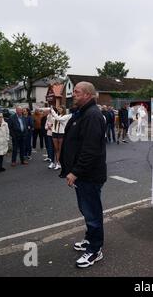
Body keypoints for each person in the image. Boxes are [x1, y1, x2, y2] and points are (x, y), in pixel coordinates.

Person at [60, 82, 107, 268]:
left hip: (88, 175)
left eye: (77, 92)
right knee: (86, 210)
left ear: (88, 94)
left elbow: (91, 149)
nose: (73, 95)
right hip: (83, 176)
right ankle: (90, 239)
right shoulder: (82, 112)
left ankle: (95, 250)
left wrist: (75, 172)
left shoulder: (93, 115)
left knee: (92, 213)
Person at [50, 105, 72, 170]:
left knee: (60, 149)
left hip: (61, 134)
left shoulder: (66, 116)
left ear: (64, 109)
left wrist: (52, 110)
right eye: (58, 109)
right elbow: (52, 121)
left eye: (60, 109)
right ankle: (57, 162)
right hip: (55, 133)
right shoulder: (57, 115)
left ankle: (59, 163)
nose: (59, 110)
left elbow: (58, 119)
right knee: (56, 149)